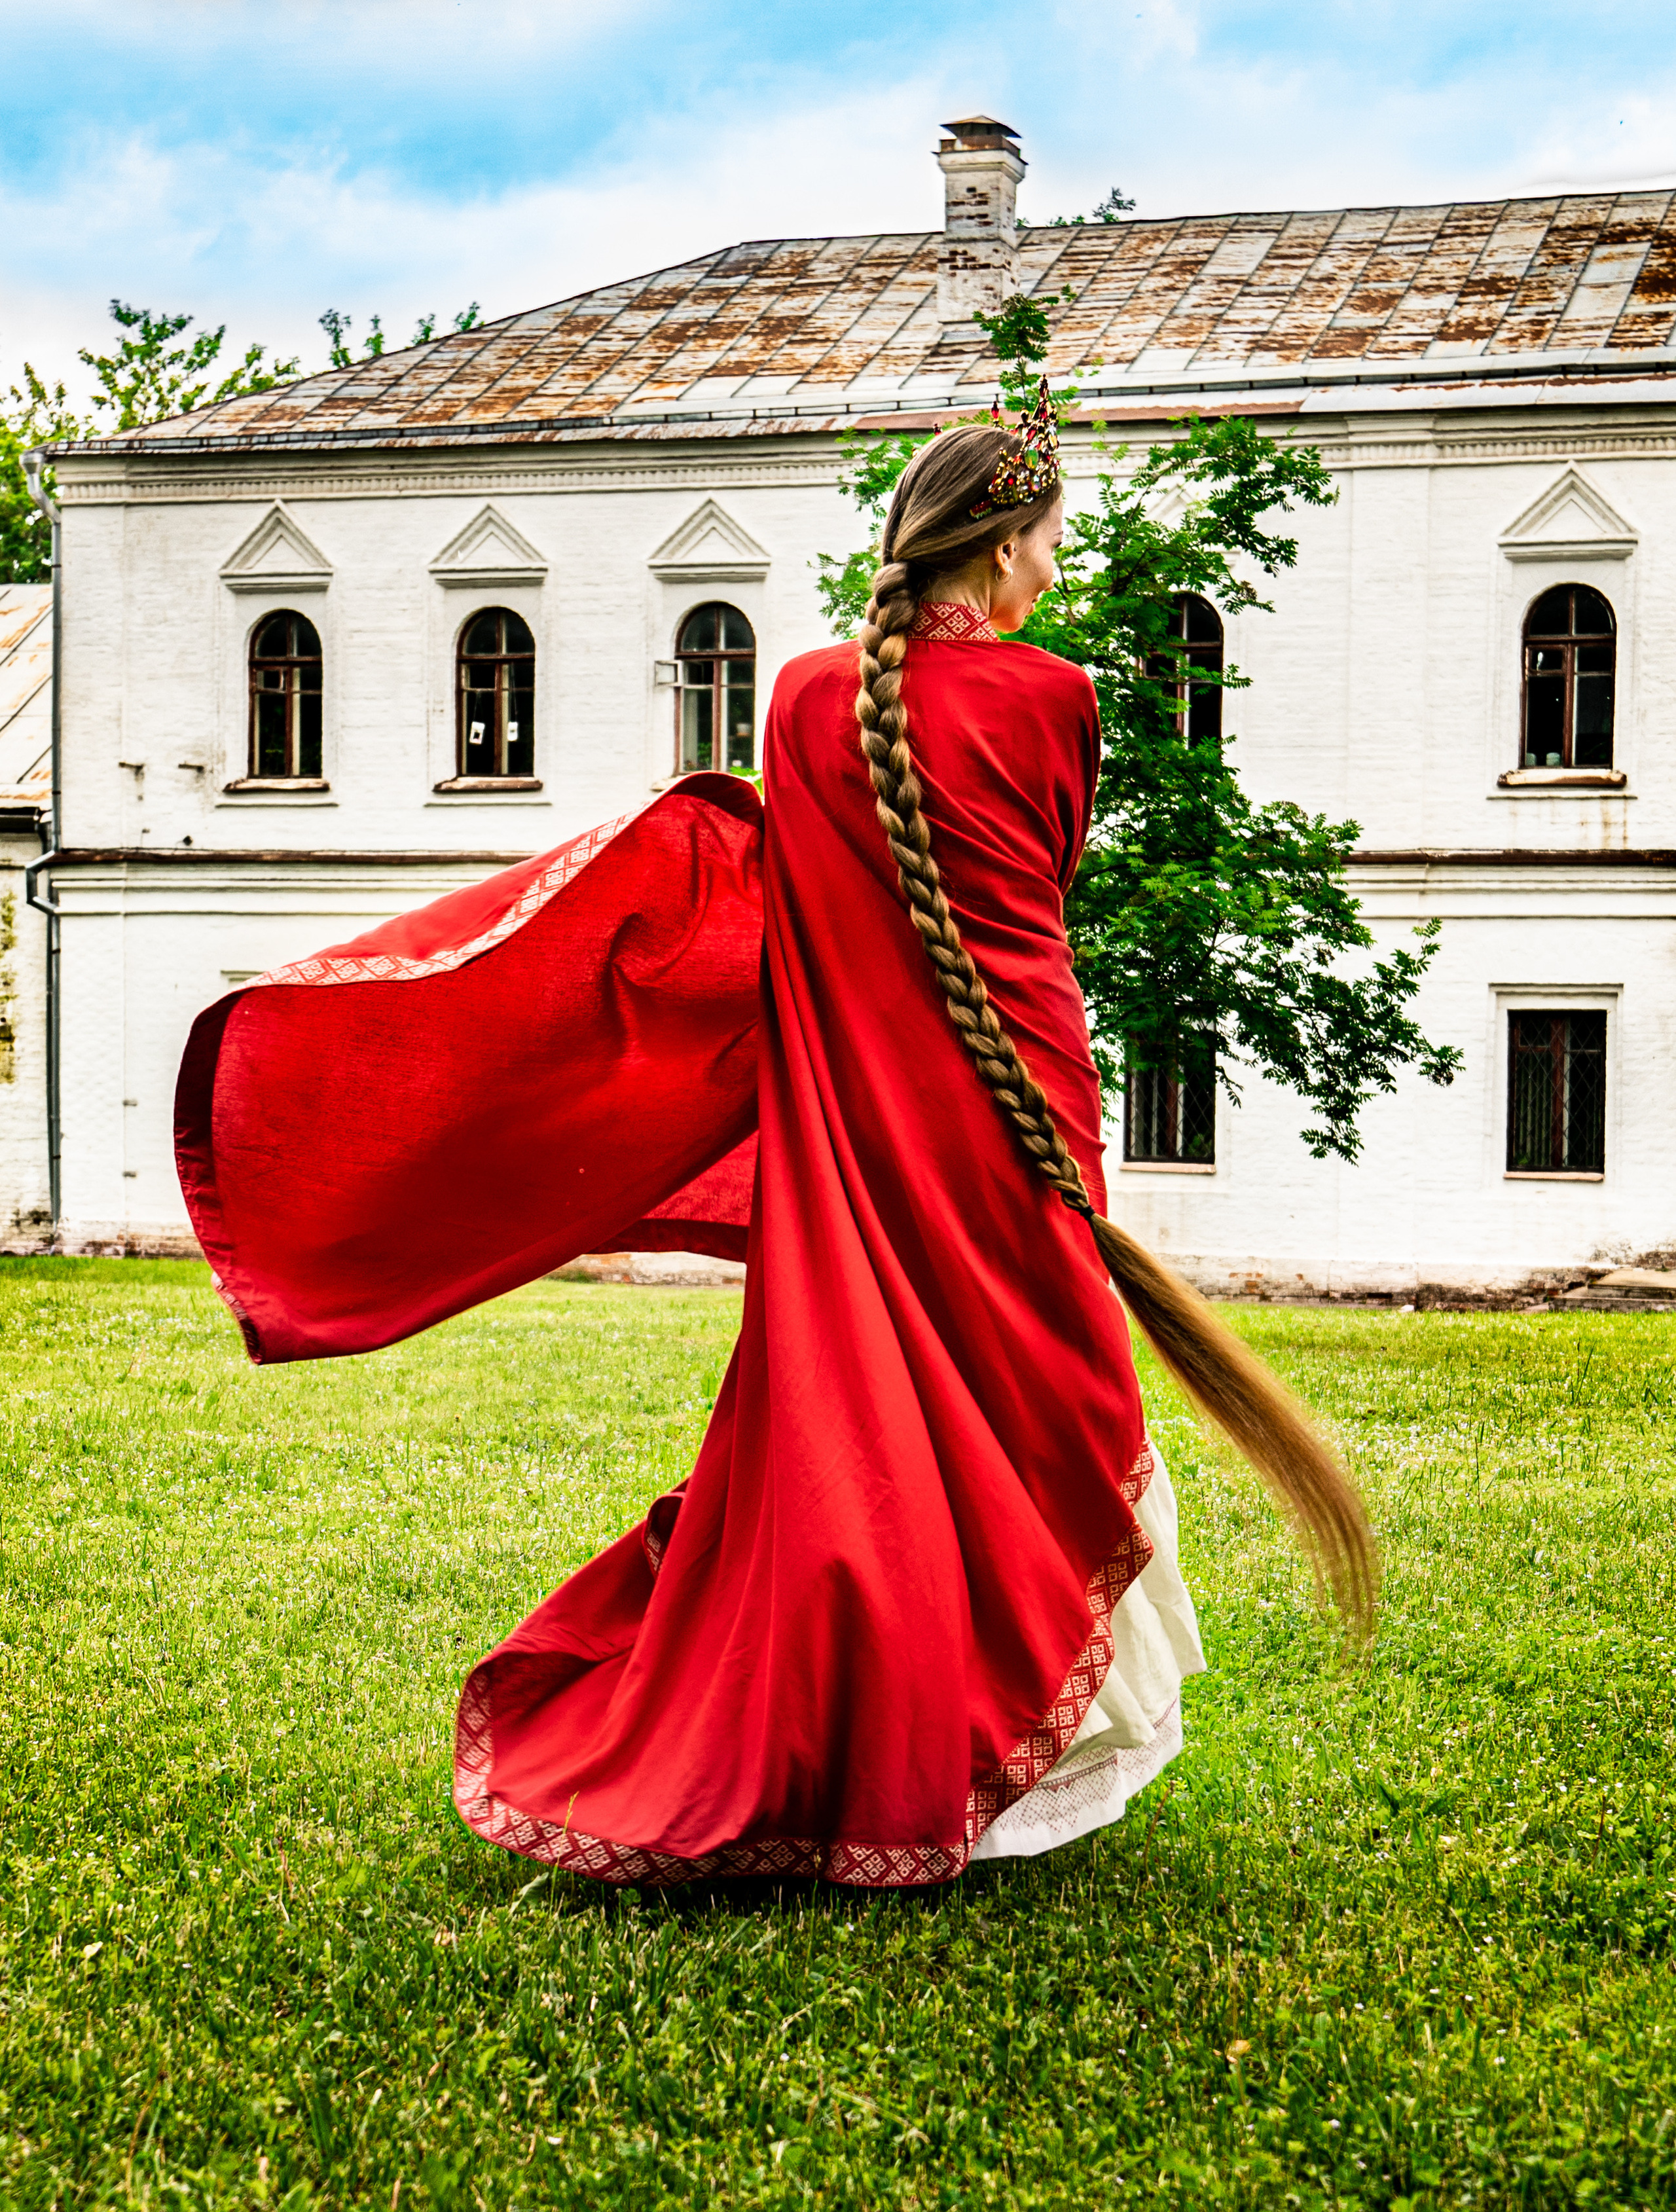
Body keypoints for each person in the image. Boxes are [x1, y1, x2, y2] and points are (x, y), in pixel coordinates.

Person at [176, 389, 1374, 1889]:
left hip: (863, 1115)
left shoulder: (805, 698)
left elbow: (815, 905)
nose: (1056, 570)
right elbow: (1035, 896)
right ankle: (981, 1763)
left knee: (869, 1413)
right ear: (1001, 549)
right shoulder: (1055, 696)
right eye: (1050, 540)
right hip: (1019, 1108)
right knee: (1037, 1402)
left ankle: (915, 1741)